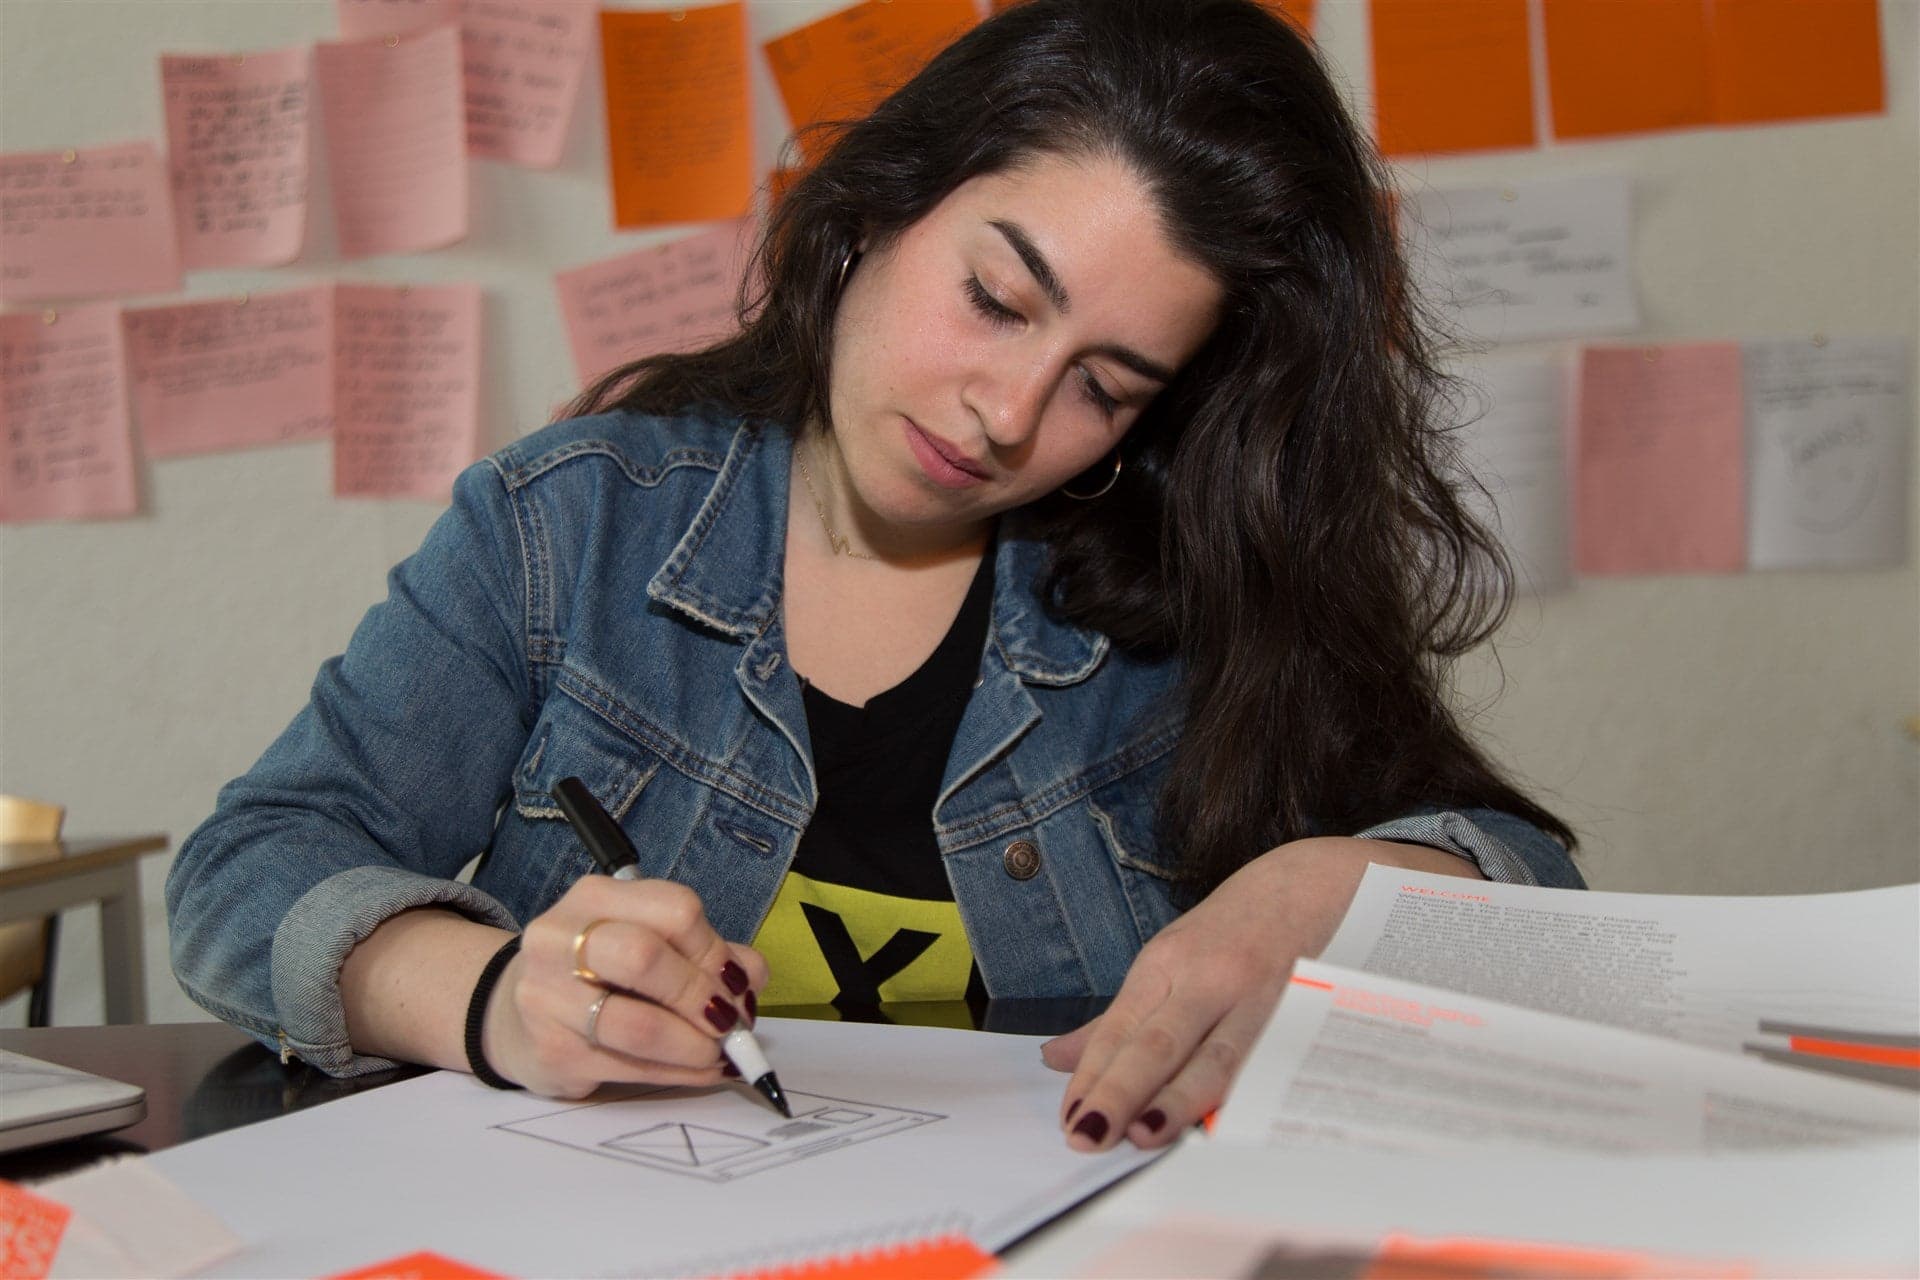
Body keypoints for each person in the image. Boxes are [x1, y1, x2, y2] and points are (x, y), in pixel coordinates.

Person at [167, 0, 1582, 1155]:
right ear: (876, 211)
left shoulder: (1197, 597)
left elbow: (1541, 898)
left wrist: (1335, 891)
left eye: (1104, 385)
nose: (1007, 414)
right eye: (995, 299)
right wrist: (489, 998)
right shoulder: (570, 530)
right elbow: (248, 872)